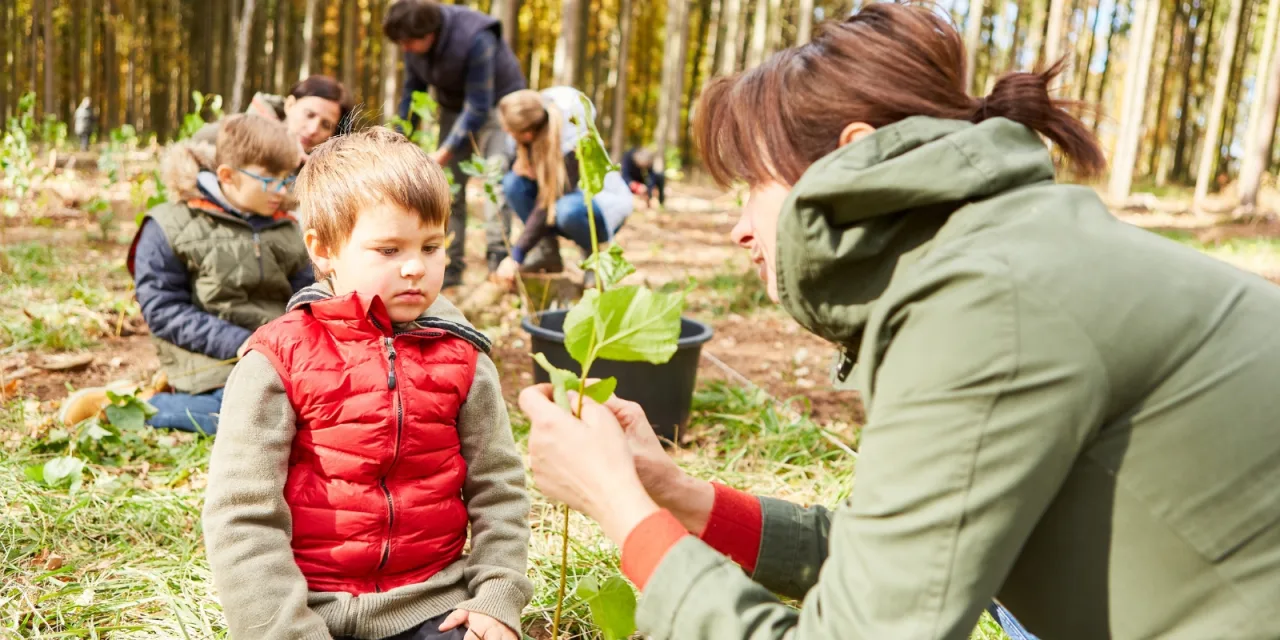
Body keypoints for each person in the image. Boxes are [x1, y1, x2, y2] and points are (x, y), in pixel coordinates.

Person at [516, 5, 1280, 640]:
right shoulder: (1003, 253)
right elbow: (898, 560)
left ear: (856, 158)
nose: (739, 228)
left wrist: (621, 509)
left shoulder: (990, 303)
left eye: (755, 185)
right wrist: (676, 496)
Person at [203, 127, 532, 640]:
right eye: (387, 249)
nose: (414, 267)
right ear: (324, 248)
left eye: (431, 245)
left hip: (436, 606)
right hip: (310, 612)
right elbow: (243, 515)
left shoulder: (463, 355)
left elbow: (500, 488)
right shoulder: (276, 361)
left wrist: (496, 598)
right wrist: (285, 630)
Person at [60, 115, 315, 435]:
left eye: (286, 178)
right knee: (253, 419)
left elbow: (307, 297)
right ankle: (126, 406)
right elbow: (164, 311)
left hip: (280, 357)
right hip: (208, 358)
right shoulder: (168, 225)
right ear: (228, 175)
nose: (281, 190)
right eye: (269, 180)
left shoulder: (288, 227)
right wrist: (238, 342)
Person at [383, 0, 526, 288]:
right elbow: (412, 93)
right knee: (449, 188)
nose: (405, 49)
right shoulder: (412, 43)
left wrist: (445, 150)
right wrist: (398, 139)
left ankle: (498, 262)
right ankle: (452, 266)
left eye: (409, 42)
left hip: (499, 106)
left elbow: (478, 106)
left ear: (430, 35)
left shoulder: (476, 37)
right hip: (454, 106)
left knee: (494, 180)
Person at [492, 87, 634, 288]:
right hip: (561, 206)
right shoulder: (530, 134)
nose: (506, 132)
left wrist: (516, 255)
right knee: (512, 183)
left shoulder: (572, 144)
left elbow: (546, 204)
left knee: (567, 210)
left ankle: (593, 261)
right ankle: (547, 253)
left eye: (510, 130)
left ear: (528, 134)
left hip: (598, 209)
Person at [193, 75, 353, 165]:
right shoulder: (234, 132)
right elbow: (196, 144)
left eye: (326, 125)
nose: (313, 129)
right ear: (290, 104)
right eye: (309, 115)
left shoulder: (324, 174)